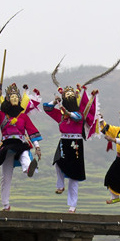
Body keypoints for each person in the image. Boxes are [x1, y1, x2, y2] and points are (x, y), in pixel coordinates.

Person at [0, 83, 42, 211]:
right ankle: (5, 204)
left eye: (17, 97)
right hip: (6, 145)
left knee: (25, 154)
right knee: (6, 176)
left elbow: (32, 132)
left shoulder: (23, 117)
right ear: (8, 100)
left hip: (20, 143)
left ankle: (28, 169)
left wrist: (37, 147)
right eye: (12, 97)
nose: (15, 99)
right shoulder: (1, 115)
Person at [43, 85, 96, 213]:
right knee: (58, 162)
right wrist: (54, 102)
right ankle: (60, 185)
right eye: (67, 96)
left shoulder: (79, 115)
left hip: (75, 144)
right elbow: (46, 108)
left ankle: (72, 205)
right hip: (63, 141)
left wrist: (67, 112)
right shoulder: (60, 115)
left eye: (71, 96)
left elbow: (76, 117)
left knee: (74, 176)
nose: (69, 98)